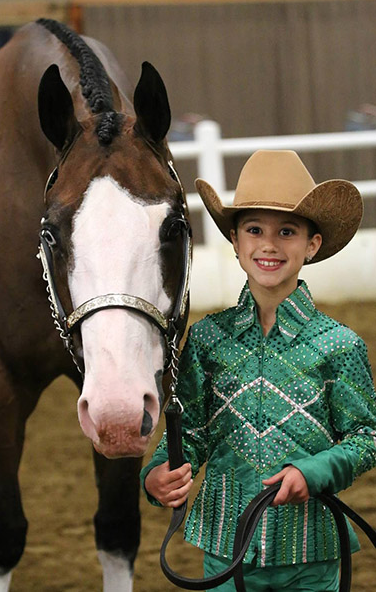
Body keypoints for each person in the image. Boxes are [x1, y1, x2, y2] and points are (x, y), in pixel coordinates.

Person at [140, 150, 376, 591]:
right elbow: (188, 433)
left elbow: (367, 438)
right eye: (254, 229)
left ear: (312, 244)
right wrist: (157, 474)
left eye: (287, 231)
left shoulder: (340, 346)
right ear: (235, 240)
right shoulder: (208, 339)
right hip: (225, 552)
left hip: (311, 552)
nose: (269, 245)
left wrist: (315, 471)